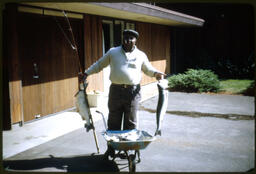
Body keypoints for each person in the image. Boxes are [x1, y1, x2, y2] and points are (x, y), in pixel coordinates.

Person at [79, 29, 164, 156]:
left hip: (133, 92)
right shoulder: (113, 52)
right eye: (125, 37)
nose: (128, 40)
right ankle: (111, 148)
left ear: (136, 40)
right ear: (122, 38)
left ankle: (128, 149)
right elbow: (99, 65)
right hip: (115, 90)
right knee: (114, 120)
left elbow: (148, 69)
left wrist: (156, 73)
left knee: (131, 121)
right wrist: (86, 73)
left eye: (131, 38)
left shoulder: (141, 55)